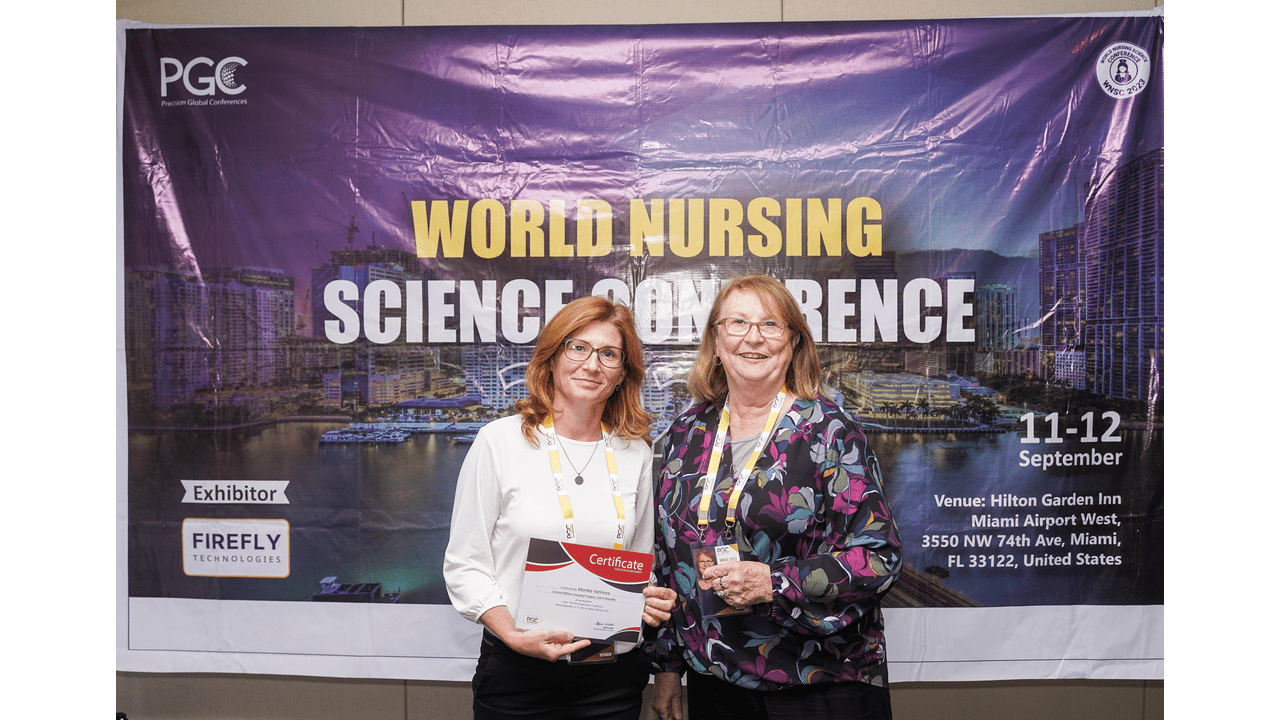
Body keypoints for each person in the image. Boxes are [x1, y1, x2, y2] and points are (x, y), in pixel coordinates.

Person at [649, 274, 903, 720]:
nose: (753, 338)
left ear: (793, 342)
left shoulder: (831, 432)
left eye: (770, 324)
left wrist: (774, 582)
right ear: (716, 340)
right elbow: (669, 560)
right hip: (716, 682)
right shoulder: (685, 434)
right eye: (737, 323)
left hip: (820, 682)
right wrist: (668, 666)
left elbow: (879, 558)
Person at [444, 296, 677, 720]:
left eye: (609, 354)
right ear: (551, 358)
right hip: (518, 675)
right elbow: (465, 564)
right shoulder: (500, 442)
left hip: (611, 676)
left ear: (622, 374)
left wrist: (649, 601)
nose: (592, 364)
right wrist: (512, 635)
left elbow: (639, 562)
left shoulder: (636, 454)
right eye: (578, 348)